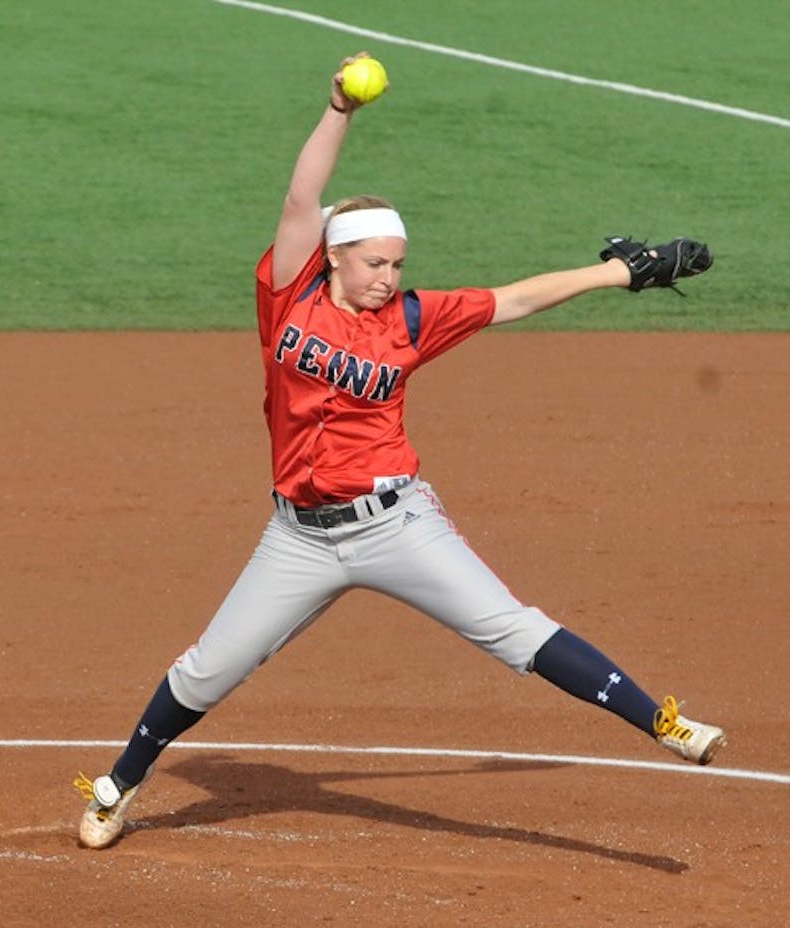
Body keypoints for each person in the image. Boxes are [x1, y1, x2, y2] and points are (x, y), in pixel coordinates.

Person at [73, 54, 724, 849]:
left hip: (395, 523)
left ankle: (664, 722)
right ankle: (119, 786)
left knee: (513, 631)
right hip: (298, 538)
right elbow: (300, 196)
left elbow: (514, 298)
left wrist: (615, 273)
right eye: (375, 263)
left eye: (397, 264)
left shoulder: (413, 320)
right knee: (210, 669)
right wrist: (340, 107)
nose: (389, 277)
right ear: (334, 256)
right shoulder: (288, 292)